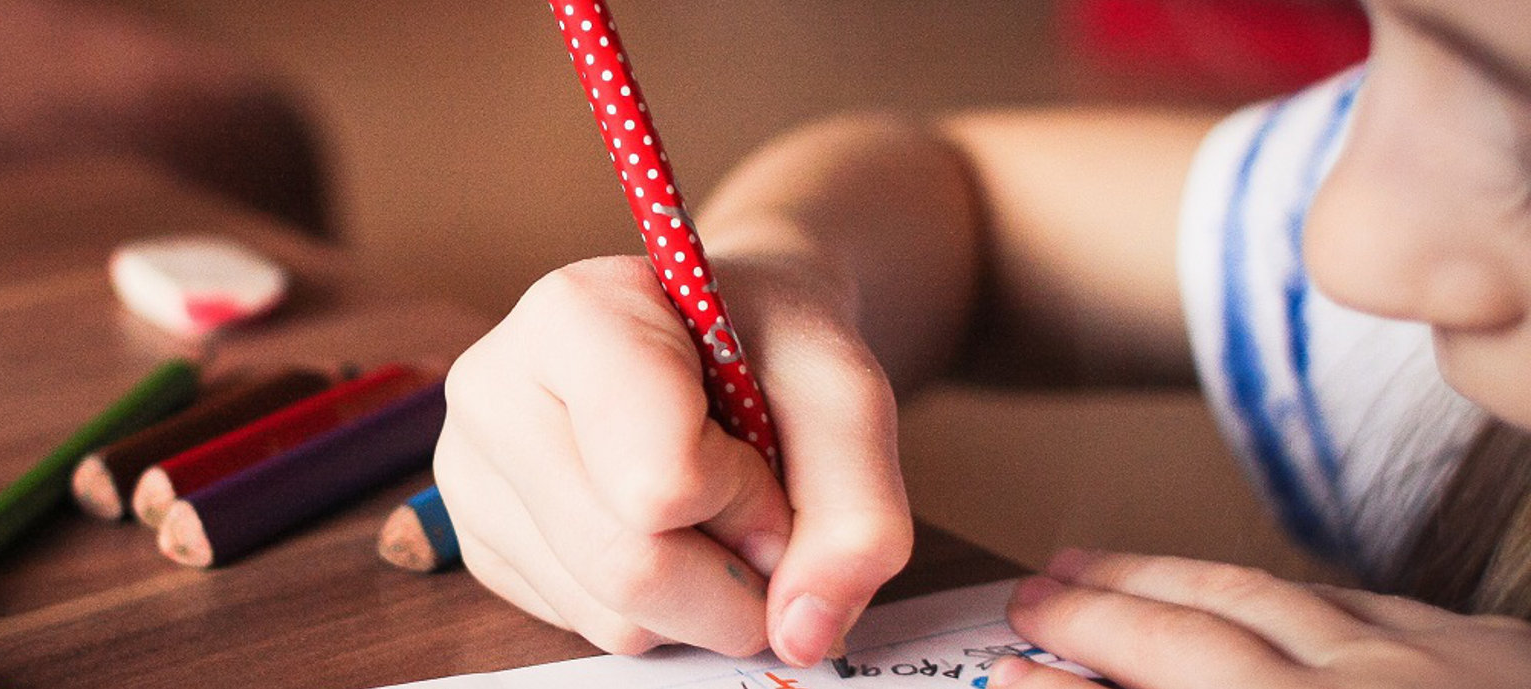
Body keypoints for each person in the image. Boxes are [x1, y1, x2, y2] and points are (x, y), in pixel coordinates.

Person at [431, 0, 1531, 685]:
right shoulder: (1420, 274)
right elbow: (969, 202)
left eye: (1523, 124)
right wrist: (786, 277)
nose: (1340, 242)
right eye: (1383, 48)